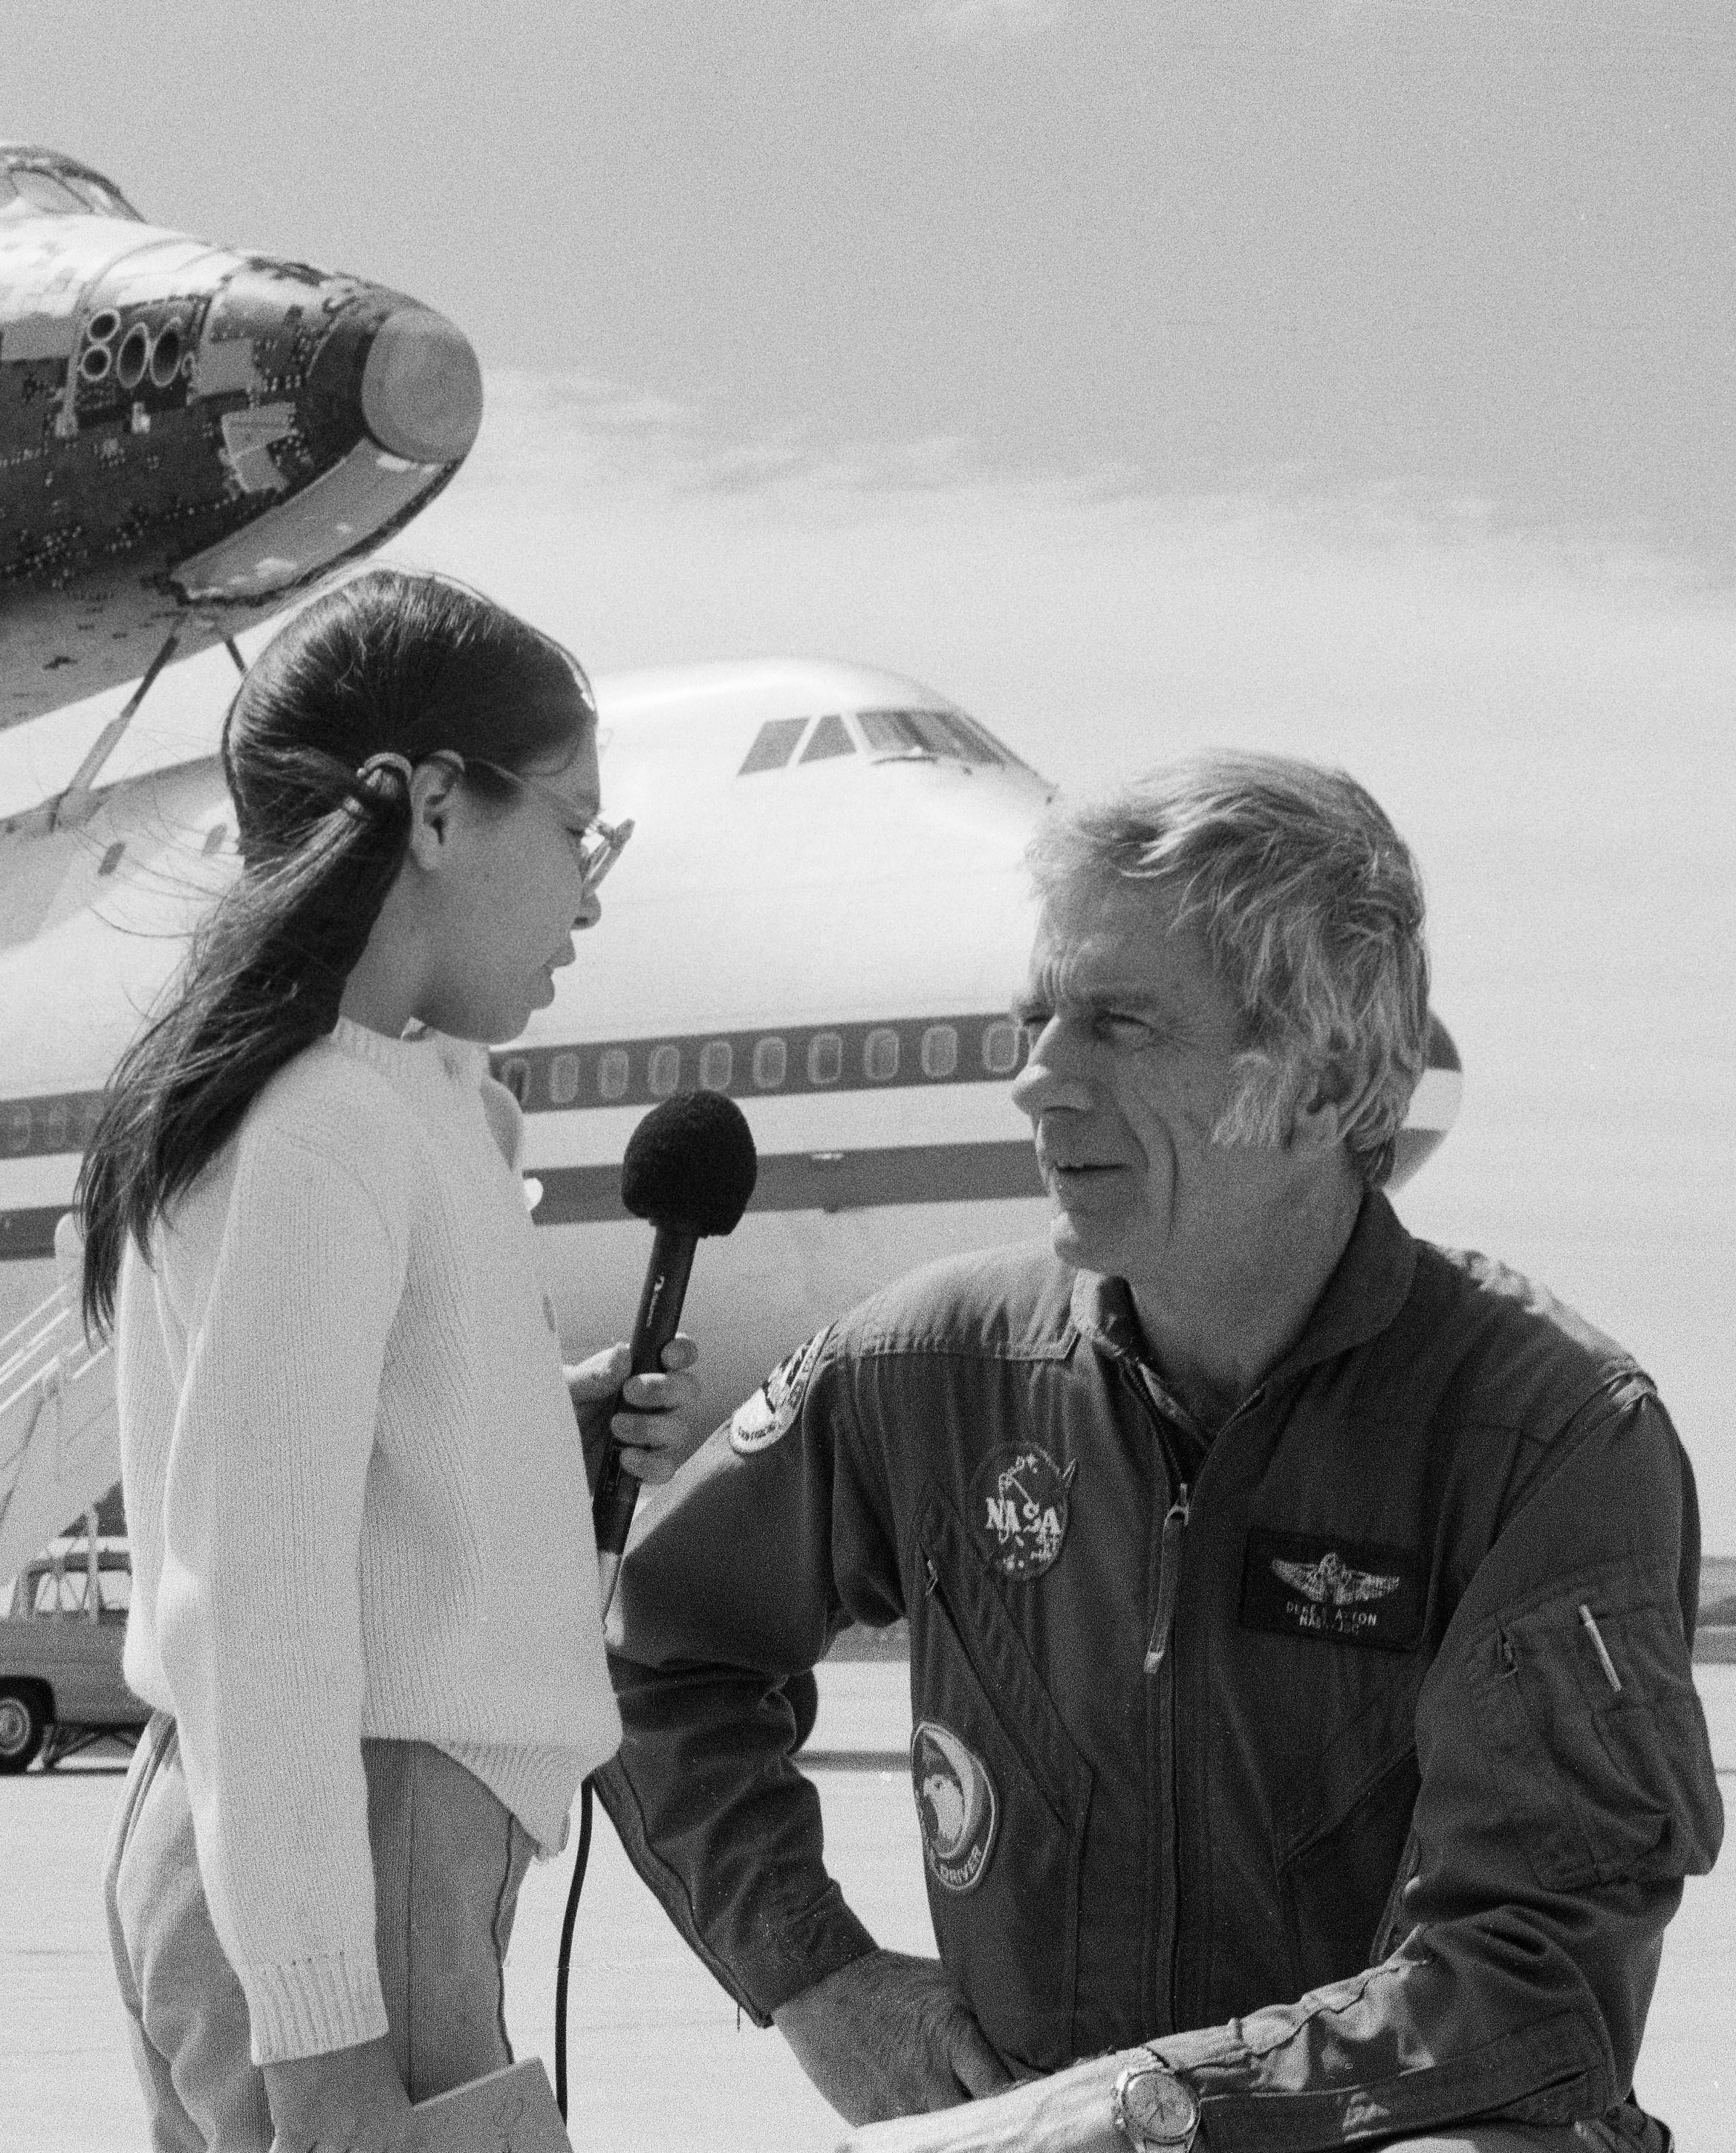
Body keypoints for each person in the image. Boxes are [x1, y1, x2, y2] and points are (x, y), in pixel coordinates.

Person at [600, 753, 1721, 2152]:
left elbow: (1533, 1996)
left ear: (1318, 1084)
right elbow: (655, 1646)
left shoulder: (1548, 1437)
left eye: (1119, 1025)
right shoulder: (925, 1367)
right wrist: (813, 1970)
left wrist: (1133, 2119)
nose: (1035, 1082)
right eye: (1038, 1019)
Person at [79, 571, 703, 2153]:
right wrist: (322, 2043)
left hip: (346, 1851)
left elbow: (316, 1511)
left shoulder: (378, 1099)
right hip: (356, 1861)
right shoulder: (328, 1128)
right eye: (576, 826)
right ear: (435, 808)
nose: (591, 886)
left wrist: (515, 1434)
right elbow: (260, 1599)